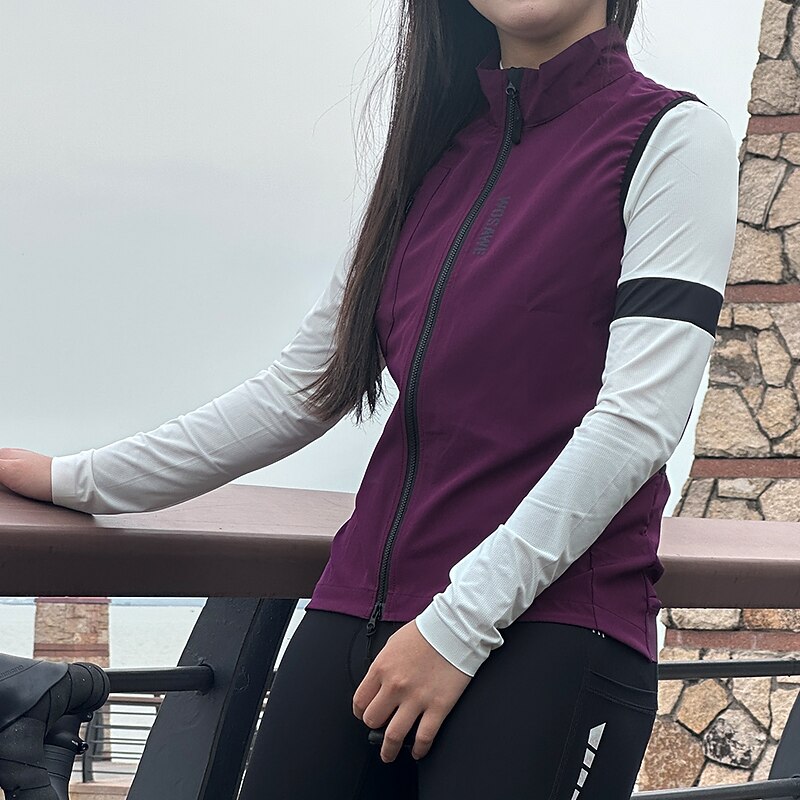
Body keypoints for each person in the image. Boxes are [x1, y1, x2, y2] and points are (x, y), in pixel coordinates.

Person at [0, 0, 738, 797]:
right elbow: (302, 390)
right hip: (356, 611)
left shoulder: (671, 139)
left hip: (552, 628)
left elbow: (637, 422)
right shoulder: (426, 156)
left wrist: (458, 625)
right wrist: (80, 479)